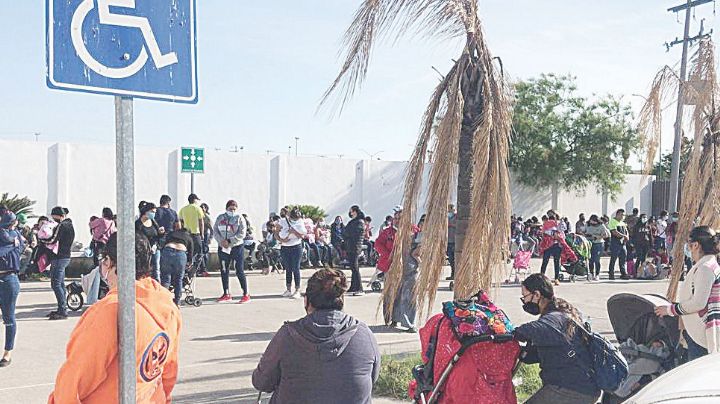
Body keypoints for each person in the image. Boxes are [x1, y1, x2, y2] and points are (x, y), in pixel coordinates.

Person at [48, 232, 181, 403]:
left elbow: (77, 375)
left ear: (109, 261)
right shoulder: (168, 305)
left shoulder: (111, 310)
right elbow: (168, 370)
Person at [252, 268, 380, 404]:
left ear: (306, 301)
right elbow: (372, 377)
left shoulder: (287, 336)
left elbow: (261, 382)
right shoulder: (363, 334)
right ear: (341, 300)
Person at [514, 273, 600, 404]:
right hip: (583, 386)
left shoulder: (555, 317)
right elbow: (551, 349)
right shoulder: (562, 309)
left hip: (573, 389)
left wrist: (512, 332)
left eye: (525, 297)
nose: (524, 302)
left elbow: (532, 329)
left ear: (537, 295)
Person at [655, 226, 720, 361]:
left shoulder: (705, 268)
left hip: (702, 333)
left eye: (689, 244)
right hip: (699, 331)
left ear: (696, 245)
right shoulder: (708, 265)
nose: (688, 248)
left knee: (698, 375)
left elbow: (698, 303)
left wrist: (670, 310)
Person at [0, 211, 24, 367]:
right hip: (8, 279)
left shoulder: (15, 237)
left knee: (8, 317)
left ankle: (7, 353)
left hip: (9, 279)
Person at [389, 215, 421, 332]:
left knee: (409, 297)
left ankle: (409, 323)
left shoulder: (416, 236)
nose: (396, 220)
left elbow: (419, 252)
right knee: (396, 295)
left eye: (399, 218)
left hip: (411, 270)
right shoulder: (394, 233)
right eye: (395, 218)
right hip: (398, 270)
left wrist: (418, 261)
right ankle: (395, 318)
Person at [213, 200, 250, 303]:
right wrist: (221, 241)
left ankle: (246, 294)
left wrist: (230, 241)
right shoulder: (220, 218)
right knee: (224, 270)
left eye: (234, 209)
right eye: (230, 209)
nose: (232, 211)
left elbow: (241, 233)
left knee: (239, 270)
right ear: (226, 208)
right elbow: (215, 230)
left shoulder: (239, 218)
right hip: (223, 247)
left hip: (236, 247)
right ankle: (226, 293)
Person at [48, 206, 75, 321]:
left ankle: (63, 310)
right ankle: (62, 308)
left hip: (60, 257)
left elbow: (53, 239)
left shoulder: (62, 226)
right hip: (64, 256)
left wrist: (42, 240)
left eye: (54, 217)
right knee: (60, 283)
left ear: (59, 216)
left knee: (56, 284)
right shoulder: (70, 225)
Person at [276, 207, 307, 298]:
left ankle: (297, 290)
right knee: (288, 268)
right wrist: (282, 240)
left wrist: (294, 231)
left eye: (296, 219)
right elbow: (276, 233)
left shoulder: (300, 222)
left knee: (295, 268)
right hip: (285, 247)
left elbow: (302, 236)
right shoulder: (282, 221)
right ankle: (288, 289)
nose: (294, 220)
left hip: (296, 247)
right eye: (292, 219)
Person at [160, 227, 194, 306]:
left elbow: (163, 243)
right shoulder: (189, 238)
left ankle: (164, 300)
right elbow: (191, 254)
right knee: (179, 279)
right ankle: (177, 302)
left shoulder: (172, 233)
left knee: (166, 278)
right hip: (180, 254)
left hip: (168, 251)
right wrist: (189, 263)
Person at [135, 202, 164, 281]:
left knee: (156, 269)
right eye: (152, 212)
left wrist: (161, 233)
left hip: (155, 249)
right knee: (144, 270)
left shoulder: (154, 222)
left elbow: (158, 235)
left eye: (154, 212)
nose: (153, 214)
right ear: (146, 211)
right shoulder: (138, 224)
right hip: (143, 250)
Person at [343, 205, 367, 295]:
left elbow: (355, 235)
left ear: (355, 211)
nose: (350, 213)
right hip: (350, 246)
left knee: (355, 268)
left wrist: (346, 234)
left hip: (354, 247)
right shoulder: (353, 222)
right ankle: (353, 287)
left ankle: (359, 288)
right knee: (353, 268)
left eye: (351, 211)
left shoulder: (359, 222)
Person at [178, 194, 205, 270]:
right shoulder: (198, 208)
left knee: (188, 252)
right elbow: (201, 222)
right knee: (199, 252)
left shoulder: (183, 209)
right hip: (196, 233)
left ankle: (187, 267)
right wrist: (202, 234)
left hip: (186, 234)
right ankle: (196, 268)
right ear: (194, 200)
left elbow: (181, 221)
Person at [538, 212, 563, 285]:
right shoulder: (547, 225)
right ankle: (555, 279)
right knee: (554, 262)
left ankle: (545, 277)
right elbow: (544, 234)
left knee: (548, 261)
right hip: (551, 245)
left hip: (553, 245)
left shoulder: (557, 225)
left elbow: (560, 234)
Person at [584, 215, 608, 282]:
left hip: (598, 243)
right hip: (589, 243)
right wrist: (586, 235)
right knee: (590, 259)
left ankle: (597, 274)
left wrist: (597, 236)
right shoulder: (587, 224)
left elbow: (606, 235)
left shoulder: (601, 225)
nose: (592, 222)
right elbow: (583, 231)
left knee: (596, 260)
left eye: (594, 221)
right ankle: (591, 273)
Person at [608, 209, 630, 280]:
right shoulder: (612, 221)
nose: (622, 216)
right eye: (621, 215)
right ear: (617, 214)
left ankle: (623, 273)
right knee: (613, 259)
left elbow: (626, 231)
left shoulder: (623, 223)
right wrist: (624, 236)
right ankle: (611, 274)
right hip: (615, 243)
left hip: (623, 243)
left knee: (623, 259)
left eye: (623, 215)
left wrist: (627, 236)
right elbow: (614, 232)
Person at [447, 204, 457, 281]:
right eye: (449, 210)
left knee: (455, 258)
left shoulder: (456, 217)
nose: (450, 212)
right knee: (450, 259)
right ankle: (452, 273)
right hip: (448, 241)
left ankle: (455, 274)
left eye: (451, 210)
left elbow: (458, 225)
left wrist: (451, 225)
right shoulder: (447, 217)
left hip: (455, 241)